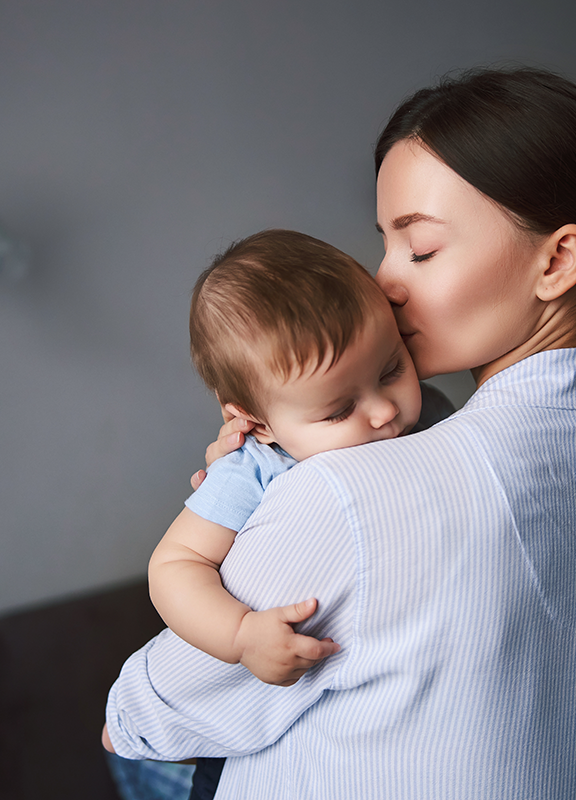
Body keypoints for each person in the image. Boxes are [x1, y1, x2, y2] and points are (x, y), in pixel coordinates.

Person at [105, 66, 576, 799]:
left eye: (421, 248)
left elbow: (137, 722)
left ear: (558, 260)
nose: (386, 282)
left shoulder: (351, 493)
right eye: (384, 244)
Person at [147, 229, 429, 686]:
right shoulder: (254, 468)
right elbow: (174, 565)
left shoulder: (432, 414)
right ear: (258, 424)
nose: (384, 411)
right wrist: (240, 635)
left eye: (392, 369)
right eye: (339, 411)